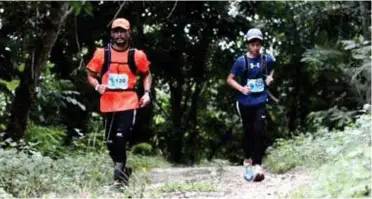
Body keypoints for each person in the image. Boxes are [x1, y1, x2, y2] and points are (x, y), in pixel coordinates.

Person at [86, 18, 152, 186]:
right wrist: (97, 86)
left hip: (128, 101)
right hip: (108, 102)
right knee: (109, 141)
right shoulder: (102, 54)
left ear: (129, 33)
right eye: (116, 31)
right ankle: (123, 170)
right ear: (112, 34)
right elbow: (91, 75)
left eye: (123, 31)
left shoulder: (137, 55)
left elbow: (146, 74)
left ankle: (119, 175)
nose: (119, 35)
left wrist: (146, 93)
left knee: (120, 137)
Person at [226, 28, 275, 182]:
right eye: (253, 44)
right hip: (244, 102)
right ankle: (247, 161)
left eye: (258, 45)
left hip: (260, 100)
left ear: (261, 45)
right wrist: (241, 88)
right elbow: (230, 79)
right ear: (248, 44)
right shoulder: (241, 61)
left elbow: (273, 68)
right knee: (248, 132)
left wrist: (269, 78)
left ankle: (258, 166)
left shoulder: (266, 59)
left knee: (259, 130)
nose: (255, 48)